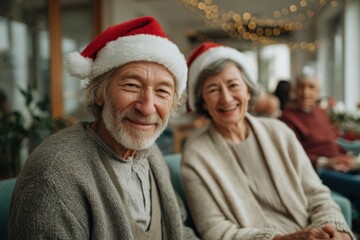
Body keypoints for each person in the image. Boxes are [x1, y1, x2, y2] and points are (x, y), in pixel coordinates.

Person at [8, 16, 198, 239]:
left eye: (162, 91)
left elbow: (180, 231)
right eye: (131, 85)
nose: (147, 107)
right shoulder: (54, 176)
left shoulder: (150, 154)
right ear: (99, 93)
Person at [181, 42, 354, 239]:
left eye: (233, 85)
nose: (227, 98)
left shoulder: (279, 131)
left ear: (248, 89)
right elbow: (215, 230)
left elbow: (318, 195)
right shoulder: (196, 155)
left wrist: (336, 229)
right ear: (202, 101)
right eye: (213, 89)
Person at [279, 72, 360, 215]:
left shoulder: (321, 112)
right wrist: (325, 162)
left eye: (311, 87)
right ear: (294, 91)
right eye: (301, 87)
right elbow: (292, 155)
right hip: (317, 171)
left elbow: (332, 143)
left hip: (339, 164)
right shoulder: (287, 117)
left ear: (318, 91)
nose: (305, 92)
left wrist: (349, 158)